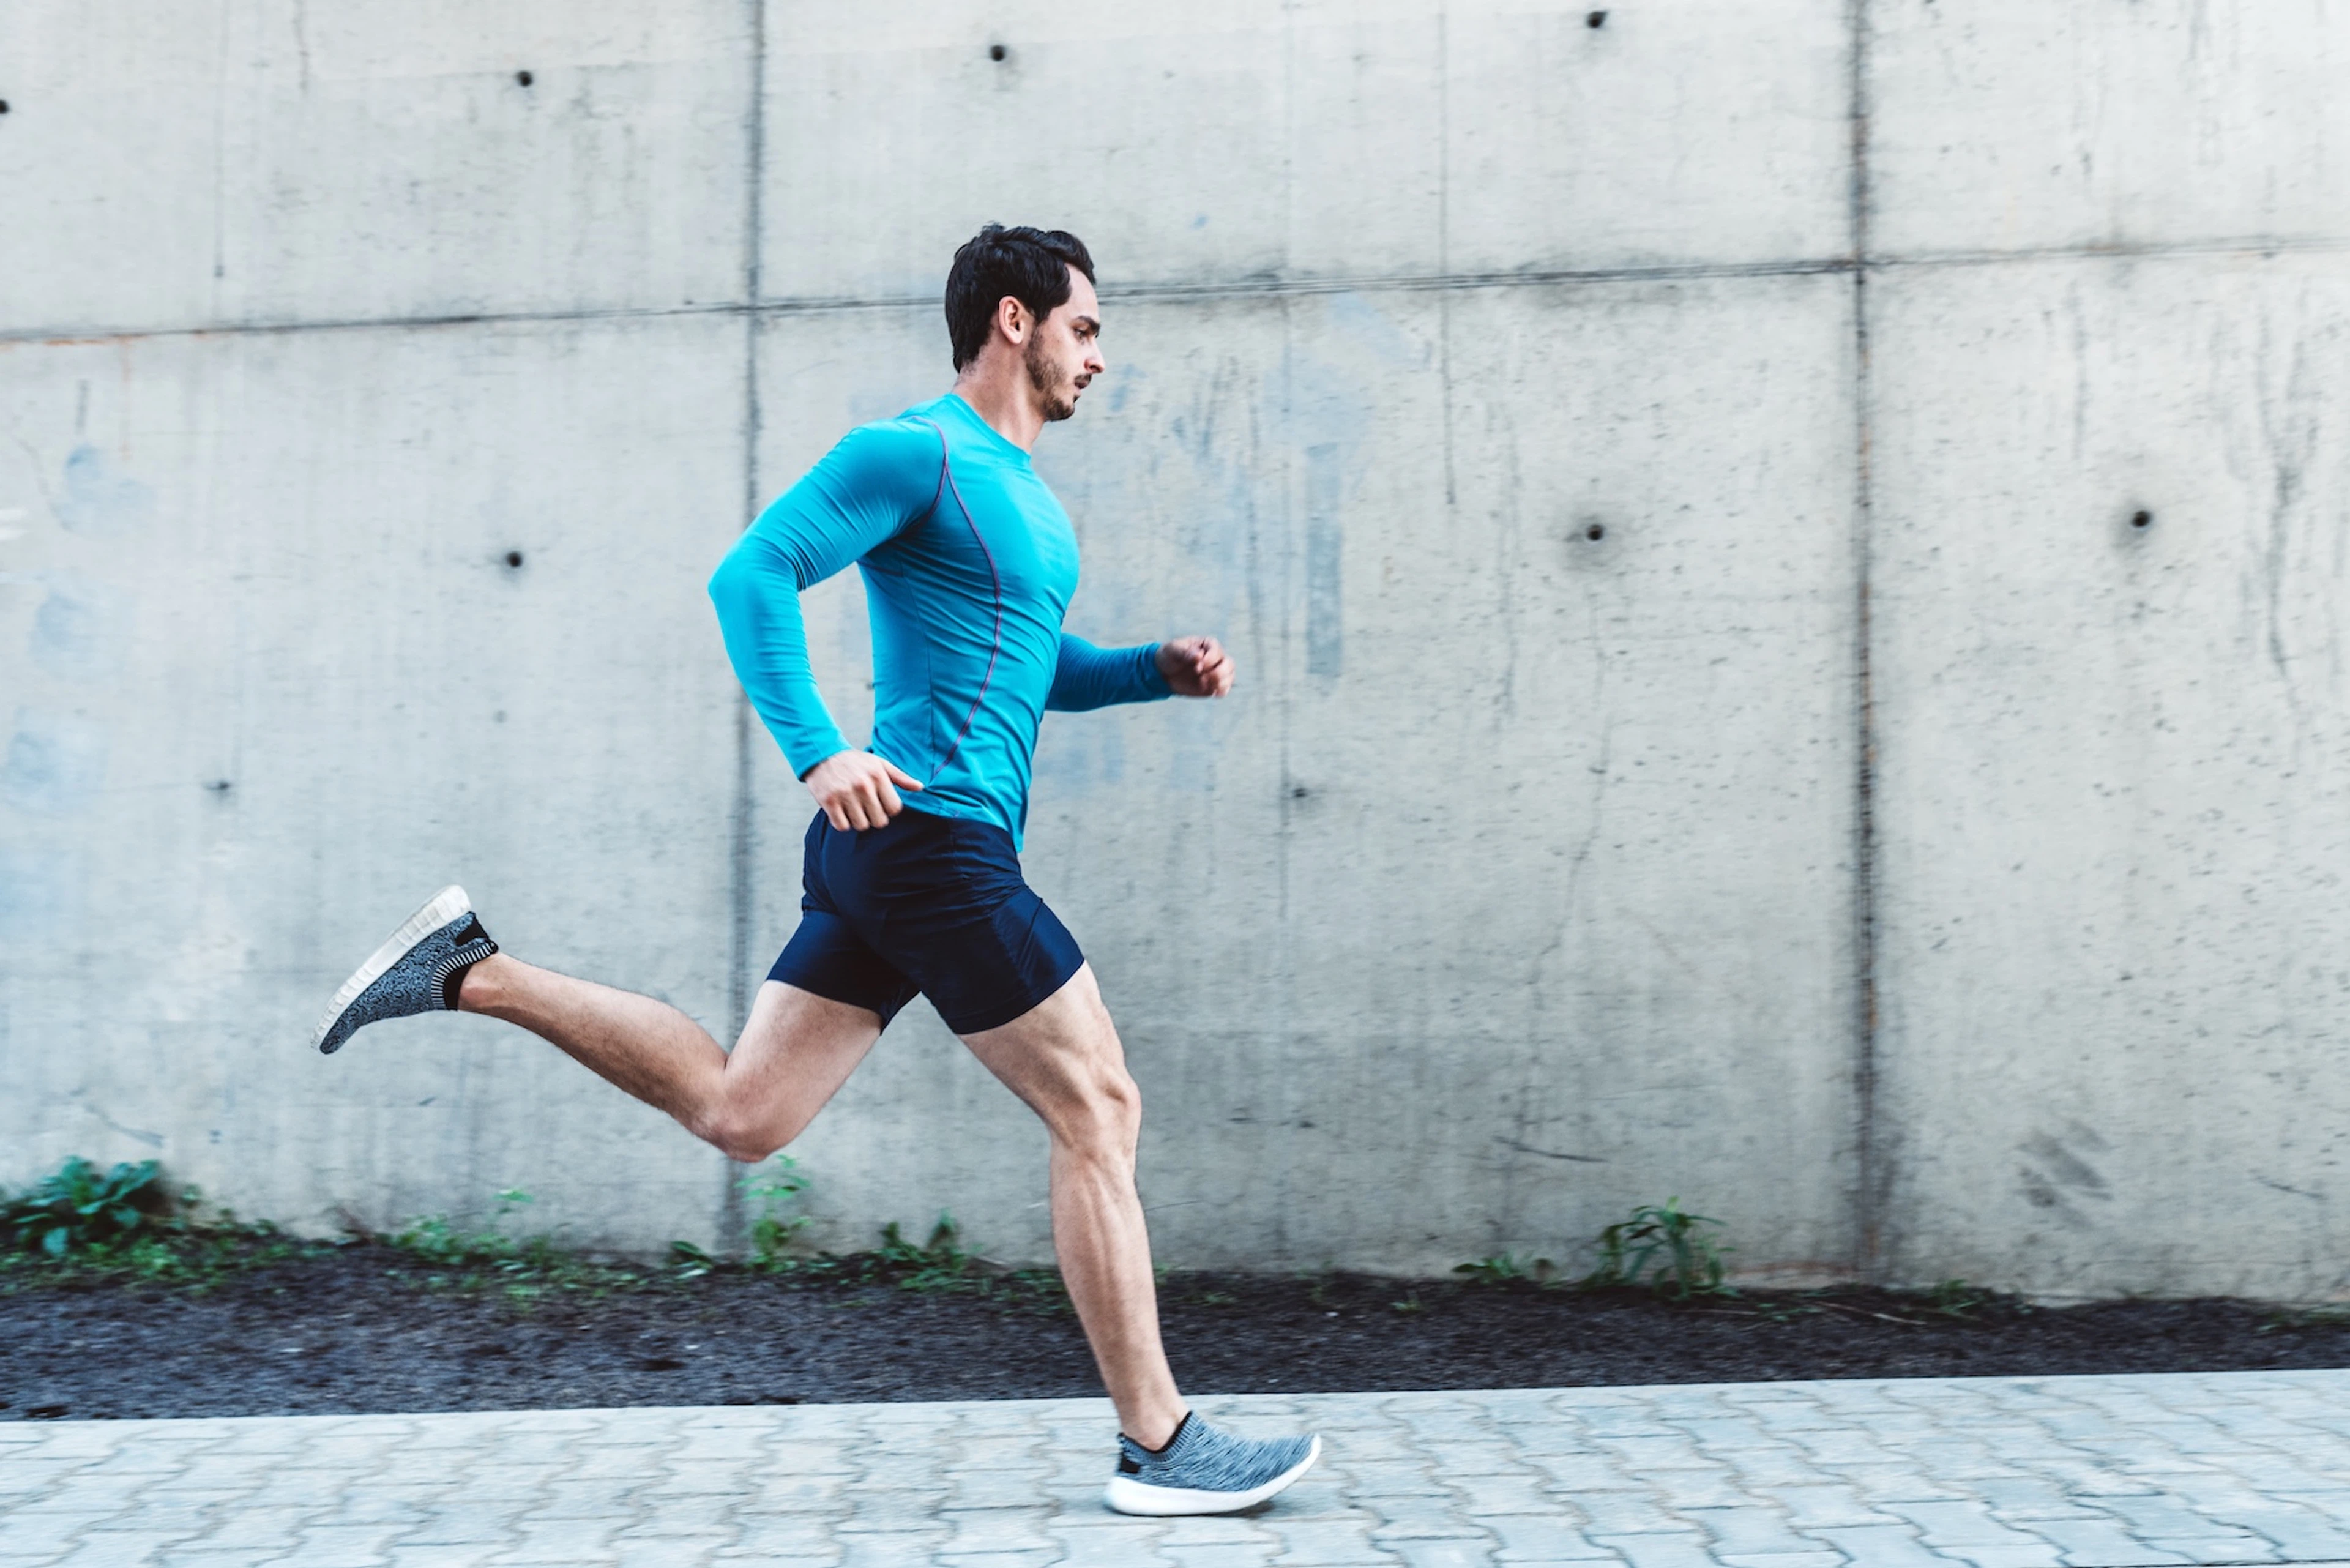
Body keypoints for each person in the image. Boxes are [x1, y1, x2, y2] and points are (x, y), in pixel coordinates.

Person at [310, 223, 1320, 1517]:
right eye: (1086, 328)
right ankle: (1161, 1443)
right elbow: (754, 573)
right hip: (929, 841)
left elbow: (1028, 666)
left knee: (744, 1115)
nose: (1099, 360)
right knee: (1100, 1110)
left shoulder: (1027, 497)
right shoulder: (918, 452)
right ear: (1013, 321)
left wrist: (1148, 674)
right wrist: (816, 751)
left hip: (895, 856)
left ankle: (472, 971)